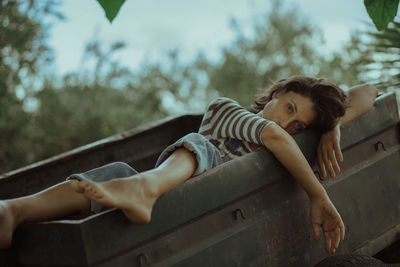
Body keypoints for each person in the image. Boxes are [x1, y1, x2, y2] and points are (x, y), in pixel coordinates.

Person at [0, 75, 378, 255]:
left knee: (121, 180)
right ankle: (14, 209)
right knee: (130, 169)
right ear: (276, 93)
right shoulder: (226, 111)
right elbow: (275, 136)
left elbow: (369, 92)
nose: (285, 124)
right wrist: (318, 195)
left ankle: (140, 188)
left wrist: (332, 129)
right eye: (288, 107)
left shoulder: (292, 141)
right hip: (169, 192)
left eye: (299, 126)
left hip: (182, 217)